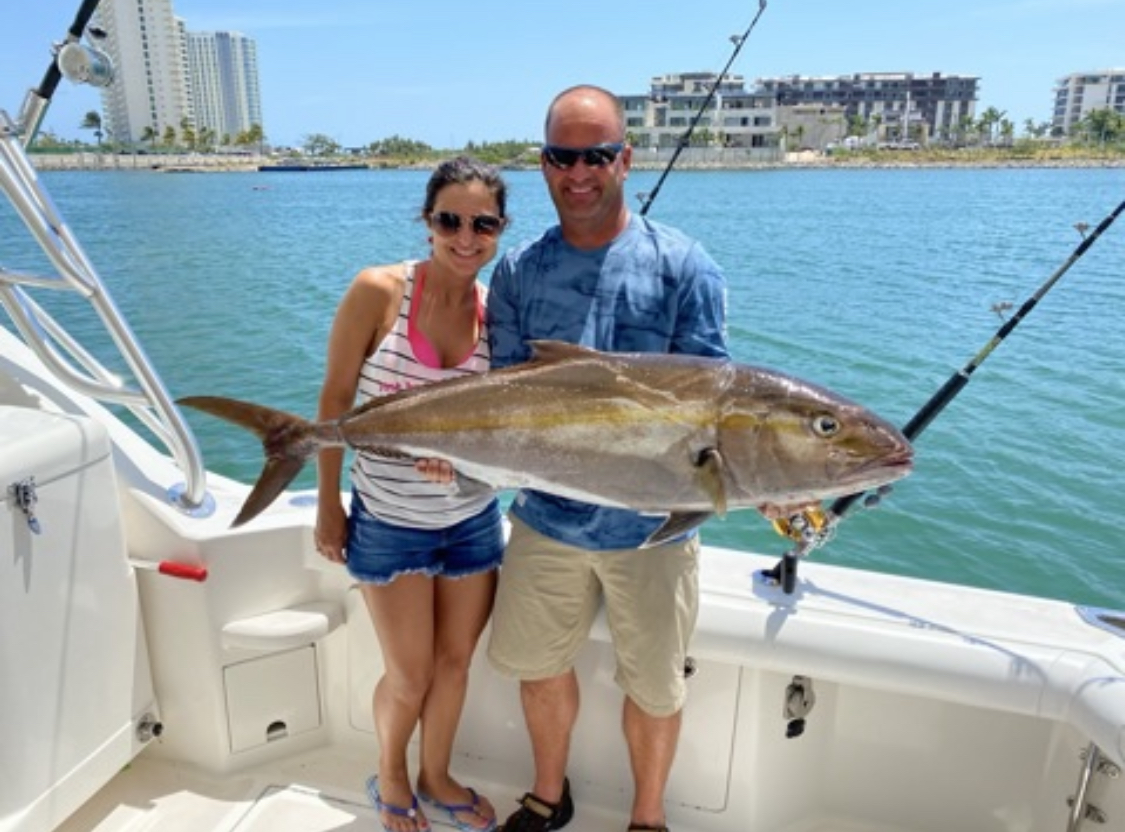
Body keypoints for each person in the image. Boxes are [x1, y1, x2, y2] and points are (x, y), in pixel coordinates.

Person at [486, 86, 729, 832]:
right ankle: (547, 794)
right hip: (545, 520)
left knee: (655, 688)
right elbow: (499, 396)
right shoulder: (518, 271)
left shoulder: (684, 265)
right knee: (537, 664)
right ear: (544, 165)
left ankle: (647, 818)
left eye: (596, 154)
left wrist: (766, 481)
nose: (579, 171)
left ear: (625, 158)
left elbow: (714, 405)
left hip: (653, 530)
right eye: (564, 156)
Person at [314, 156, 509, 832]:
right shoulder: (378, 291)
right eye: (448, 220)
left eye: (481, 224)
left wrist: (462, 465)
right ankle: (393, 772)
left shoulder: (497, 314)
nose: (464, 236)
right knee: (410, 675)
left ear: (499, 230)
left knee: (456, 664)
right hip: (390, 522)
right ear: (426, 222)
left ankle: (436, 773)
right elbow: (336, 402)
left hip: (473, 522)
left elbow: (498, 429)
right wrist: (328, 503)